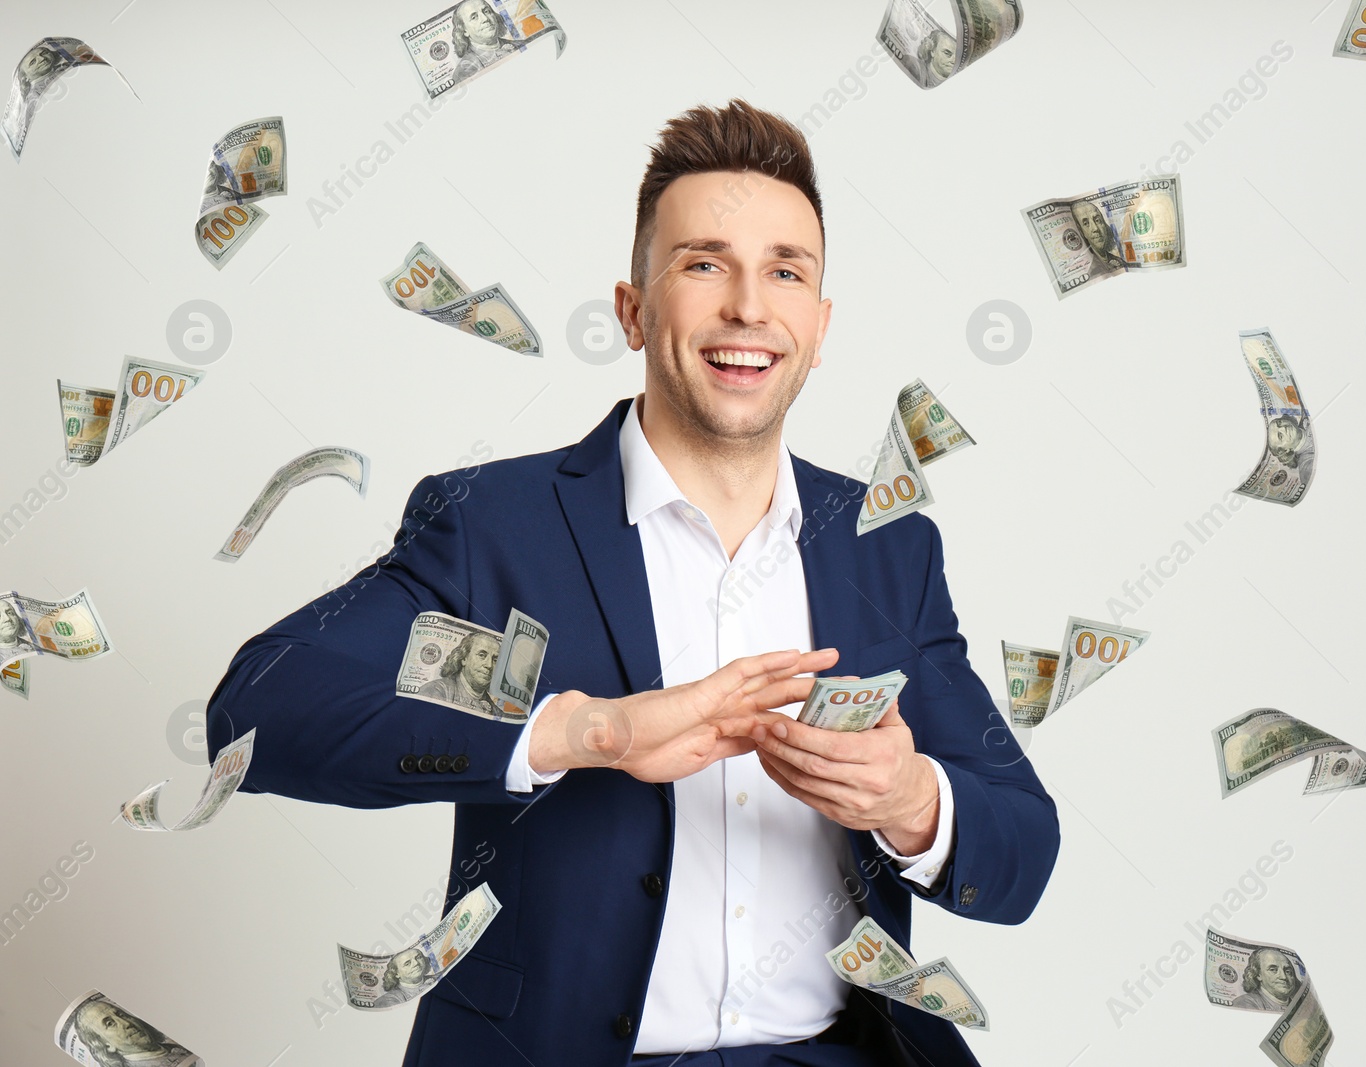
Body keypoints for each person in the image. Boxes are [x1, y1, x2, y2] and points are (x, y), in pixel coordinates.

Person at [209, 98, 1059, 1067]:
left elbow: (1022, 849)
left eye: (785, 271)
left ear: (818, 328)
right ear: (632, 309)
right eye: (703, 264)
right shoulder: (492, 522)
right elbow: (253, 711)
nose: (748, 305)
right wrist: (586, 731)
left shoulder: (886, 543)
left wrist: (910, 798)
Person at [71, 998, 189, 1067]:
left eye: (120, 1015)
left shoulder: (174, 1045)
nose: (126, 1023)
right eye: (110, 1024)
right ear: (107, 1045)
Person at [416, 630, 500, 716]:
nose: (489, 665)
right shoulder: (436, 691)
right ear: (464, 658)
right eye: (482, 655)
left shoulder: (497, 713)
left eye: (495, 660)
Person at [451, 0, 520, 81]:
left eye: (486, 11)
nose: (485, 19)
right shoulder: (464, 71)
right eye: (474, 17)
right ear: (464, 31)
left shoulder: (520, 44)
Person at [1231, 948, 1300, 1012]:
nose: (1284, 977)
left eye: (1288, 971)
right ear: (1258, 974)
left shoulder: (1299, 1006)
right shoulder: (1245, 1002)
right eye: (1273, 970)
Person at [372, 947, 441, 1009]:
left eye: (418, 957)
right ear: (396, 974)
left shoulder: (440, 977)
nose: (416, 963)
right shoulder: (389, 999)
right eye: (407, 964)